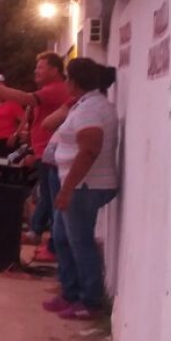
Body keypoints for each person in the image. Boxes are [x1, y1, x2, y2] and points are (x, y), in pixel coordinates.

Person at [41, 58, 119, 321]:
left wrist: (68, 189)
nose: (65, 83)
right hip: (80, 185)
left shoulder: (90, 110)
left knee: (80, 242)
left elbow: (89, 150)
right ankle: (71, 292)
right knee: (62, 237)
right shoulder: (88, 104)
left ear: (73, 82)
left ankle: (89, 300)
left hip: (85, 186)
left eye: (67, 79)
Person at [0, 53, 70, 260]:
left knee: (50, 199)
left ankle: (49, 243)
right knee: (47, 197)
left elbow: (24, 98)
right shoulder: (50, 90)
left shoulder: (55, 89)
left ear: (55, 70)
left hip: (49, 153)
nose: (36, 71)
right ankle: (44, 238)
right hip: (42, 151)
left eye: (41, 67)